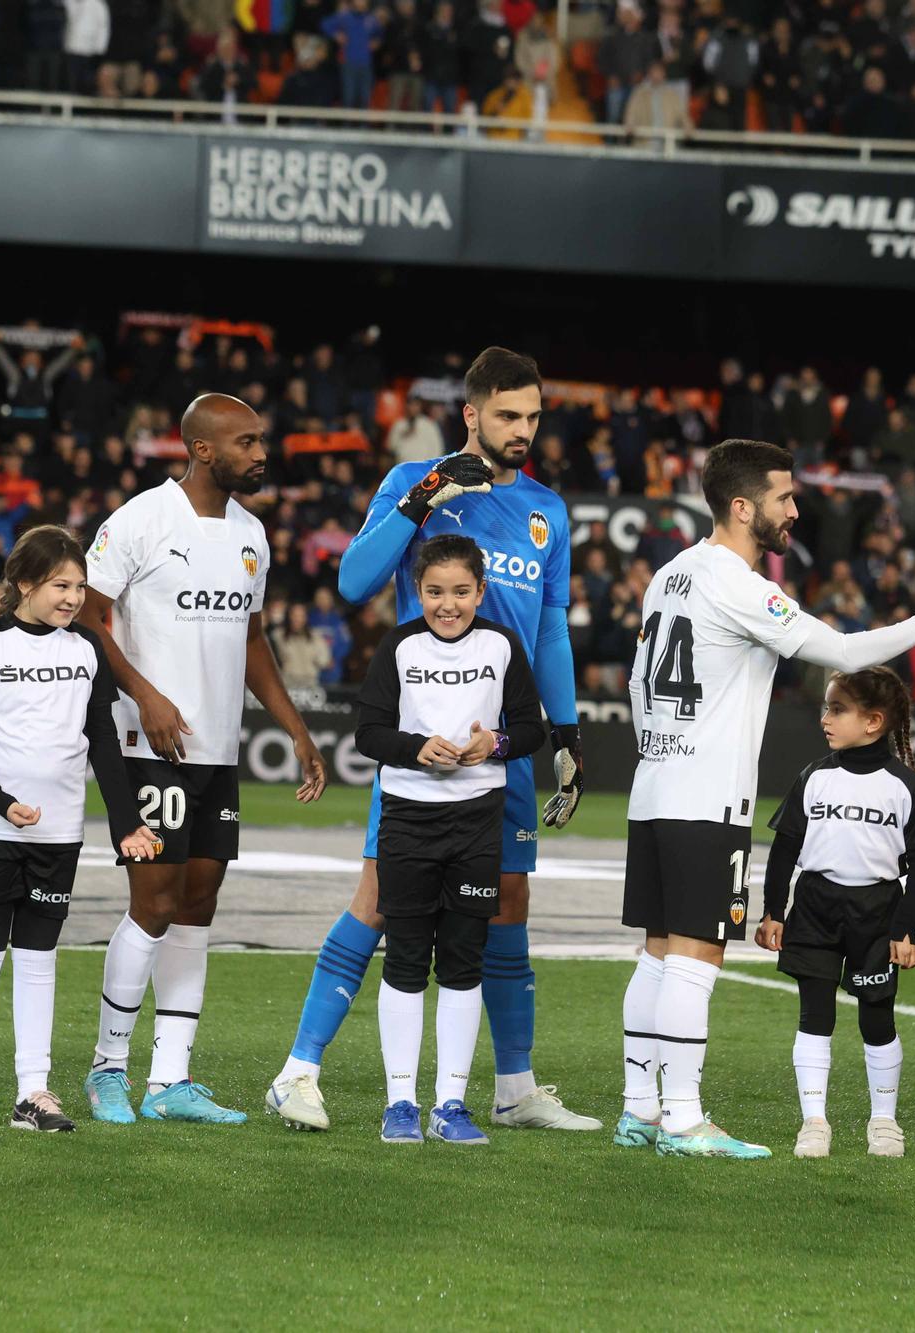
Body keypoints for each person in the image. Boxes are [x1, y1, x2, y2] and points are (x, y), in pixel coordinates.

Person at [267, 348, 592, 1134]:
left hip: (501, 747)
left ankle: (514, 1089)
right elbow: (352, 582)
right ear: (471, 413)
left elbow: (549, 629)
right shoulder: (417, 482)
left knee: (509, 905)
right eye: (508, 415)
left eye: (533, 417)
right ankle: (297, 1072)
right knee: (379, 902)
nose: (523, 431)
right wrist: (425, 493)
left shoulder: (548, 507)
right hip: (421, 745)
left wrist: (568, 731)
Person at [616, 439, 915, 1160]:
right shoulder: (738, 582)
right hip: (705, 797)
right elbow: (840, 652)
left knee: (654, 954)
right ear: (743, 507)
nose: (795, 510)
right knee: (694, 956)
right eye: (784, 497)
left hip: (654, 788)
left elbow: (634, 684)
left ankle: (638, 1108)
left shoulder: (669, 575)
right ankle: (681, 1117)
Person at [77, 394, 327, 1126]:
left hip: (216, 747)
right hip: (148, 744)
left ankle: (170, 1080)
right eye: (247, 442)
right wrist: (144, 695)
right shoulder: (138, 521)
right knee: (151, 903)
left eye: (261, 439)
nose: (261, 453)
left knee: (197, 905)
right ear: (203, 449)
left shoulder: (252, 534)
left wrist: (295, 728)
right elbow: (88, 618)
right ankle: (108, 1068)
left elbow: (252, 642)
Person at [0, 527, 158, 1134]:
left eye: (81, 586)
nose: (74, 598)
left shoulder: (88, 648)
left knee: (39, 958)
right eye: (62, 585)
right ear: (25, 583)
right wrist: (2, 803)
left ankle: (32, 1092)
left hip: (59, 835)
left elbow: (104, 745)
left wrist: (125, 826)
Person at [355, 535, 547, 1144]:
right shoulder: (399, 645)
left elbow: (529, 729)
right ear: (418, 592)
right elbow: (368, 733)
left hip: (476, 822)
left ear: (481, 591)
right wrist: (415, 749)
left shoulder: (502, 643)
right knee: (407, 960)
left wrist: (498, 744)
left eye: (461, 592)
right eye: (435, 592)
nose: (448, 605)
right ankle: (401, 1105)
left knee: (464, 963)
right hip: (408, 821)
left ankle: (451, 1106)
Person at [755, 667, 915, 1160]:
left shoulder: (904, 785)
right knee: (814, 1014)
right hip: (814, 906)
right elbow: (784, 848)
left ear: (874, 721)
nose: (825, 719)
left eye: (837, 709)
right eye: (826, 708)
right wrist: (774, 911)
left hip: (877, 912)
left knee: (876, 1019)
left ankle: (884, 1122)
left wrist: (907, 929)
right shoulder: (814, 776)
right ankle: (814, 1123)